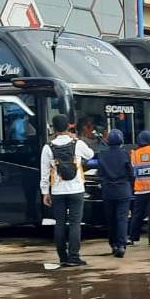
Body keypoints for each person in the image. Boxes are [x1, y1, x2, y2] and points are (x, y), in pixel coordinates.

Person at [41, 114, 95, 266]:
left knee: (59, 223)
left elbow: (44, 172)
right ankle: (74, 257)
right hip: (76, 189)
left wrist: (45, 192)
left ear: (54, 128)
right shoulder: (77, 143)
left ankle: (62, 258)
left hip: (57, 190)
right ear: (68, 127)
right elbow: (90, 154)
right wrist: (75, 138)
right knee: (75, 224)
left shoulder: (48, 147)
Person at [97, 130, 134, 258]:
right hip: (123, 190)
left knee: (111, 219)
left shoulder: (102, 155)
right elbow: (131, 173)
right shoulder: (125, 154)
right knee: (122, 218)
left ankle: (113, 244)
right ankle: (121, 245)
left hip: (108, 191)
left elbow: (100, 174)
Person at [129, 130, 150, 246]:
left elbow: (133, 170)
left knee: (137, 214)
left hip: (140, 189)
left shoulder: (134, 154)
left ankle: (133, 238)